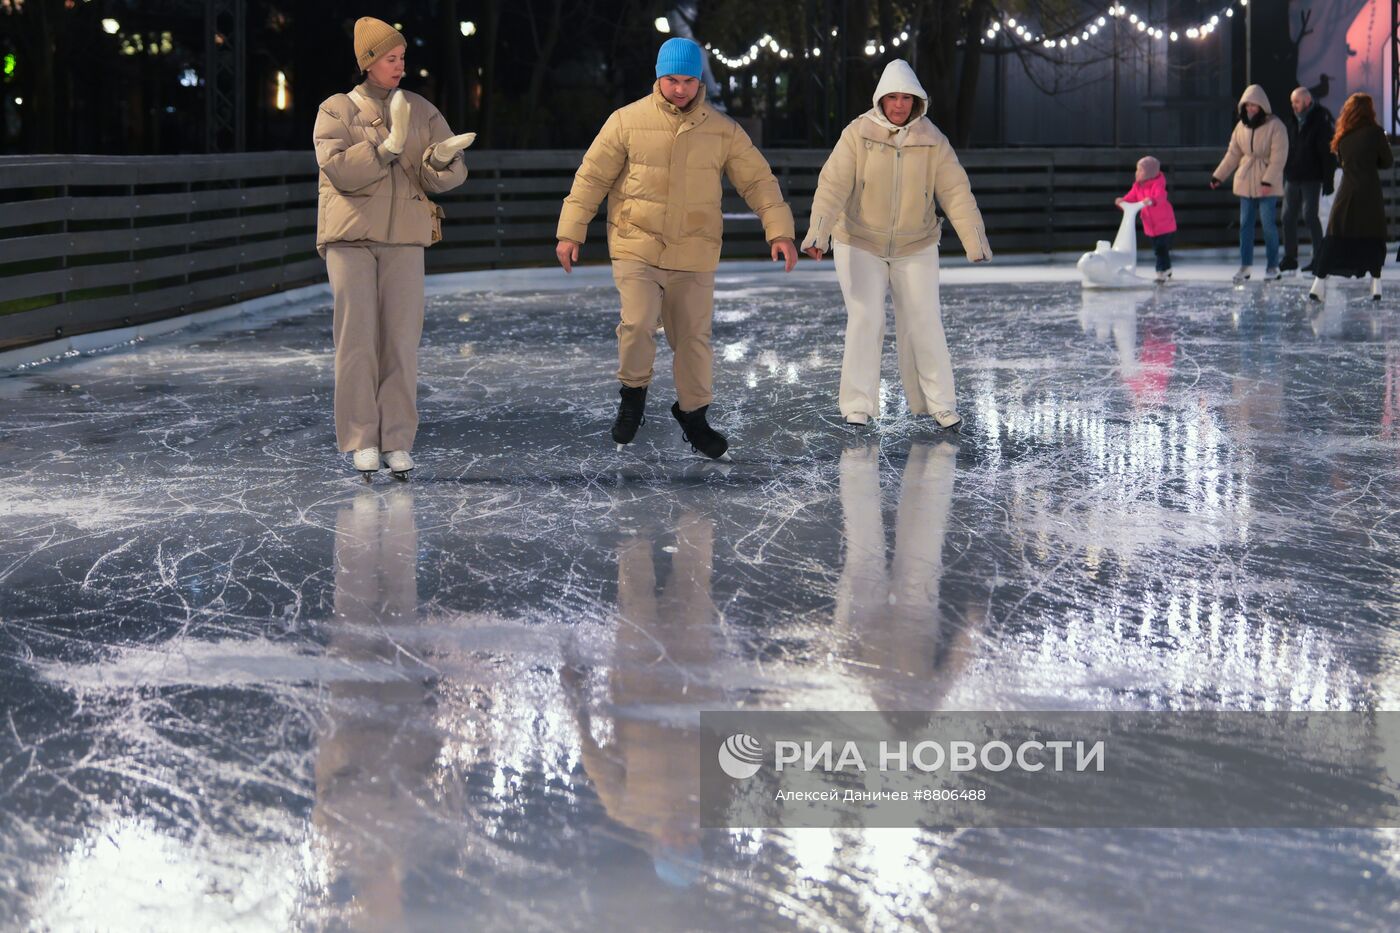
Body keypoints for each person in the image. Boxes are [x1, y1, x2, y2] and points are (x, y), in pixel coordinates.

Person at [555, 37, 797, 460]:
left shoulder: (723, 131)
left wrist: (779, 231)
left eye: (688, 80)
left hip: (694, 251)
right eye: (671, 80)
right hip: (637, 243)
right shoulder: (626, 122)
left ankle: (694, 415)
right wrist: (570, 231)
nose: (680, 89)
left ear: (698, 80)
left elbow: (758, 181)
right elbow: (591, 178)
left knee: (693, 340)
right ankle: (632, 397)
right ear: (658, 77)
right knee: (638, 323)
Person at [313, 17, 475, 480]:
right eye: (391, 58)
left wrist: (443, 161)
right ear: (368, 63)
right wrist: (386, 148)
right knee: (357, 341)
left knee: (401, 343)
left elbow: (444, 175)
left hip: (405, 237)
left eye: (402, 57)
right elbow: (339, 170)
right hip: (351, 240)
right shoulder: (336, 110)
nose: (400, 65)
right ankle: (363, 439)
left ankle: (397, 440)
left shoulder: (422, 109)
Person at [800, 59, 991, 430]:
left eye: (907, 98)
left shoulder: (933, 140)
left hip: (916, 244)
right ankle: (857, 404)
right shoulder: (857, 134)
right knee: (866, 319)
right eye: (893, 97)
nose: (900, 105)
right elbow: (833, 185)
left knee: (924, 321)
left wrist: (974, 240)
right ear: (881, 100)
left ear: (917, 101)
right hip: (859, 241)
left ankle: (938, 403)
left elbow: (955, 192)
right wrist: (818, 233)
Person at [1309, 93, 1393, 303]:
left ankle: (1318, 283)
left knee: (1336, 235)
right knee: (1372, 236)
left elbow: (1342, 161)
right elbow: (1387, 162)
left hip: (1347, 194)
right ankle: (1376, 284)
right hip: (1369, 193)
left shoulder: (1343, 136)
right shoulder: (1375, 133)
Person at [1211, 85, 1289, 284]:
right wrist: (1218, 176)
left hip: (1266, 184)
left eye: (1254, 105)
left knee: (1268, 225)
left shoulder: (1276, 126)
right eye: (1248, 106)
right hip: (1245, 181)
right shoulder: (1241, 127)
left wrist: (1267, 181)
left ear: (1262, 106)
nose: (1251, 109)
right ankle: (1245, 265)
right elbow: (1233, 154)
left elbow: (1279, 157)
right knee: (1245, 225)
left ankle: (1273, 266)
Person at [1281, 87, 1336, 275]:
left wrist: (1327, 181)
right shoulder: (1292, 122)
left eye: (1296, 102)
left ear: (1306, 101)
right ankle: (1290, 257)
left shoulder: (1320, 122)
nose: (1293, 106)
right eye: (1292, 102)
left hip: (1311, 177)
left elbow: (1327, 154)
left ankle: (1319, 258)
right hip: (1293, 176)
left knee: (1310, 215)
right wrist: (1286, 169)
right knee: (1287, 216)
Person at [1116, 155, 1177, 284]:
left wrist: (1152, 200)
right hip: (1151, 225)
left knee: (1161, 247)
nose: (1137, 173)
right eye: (1137, 170)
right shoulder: (1137, 186)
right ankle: (1167, 268)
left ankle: (1161, 271)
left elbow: (1160, 196)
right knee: (1158, 249)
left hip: (1164, 223)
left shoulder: (1157, 184)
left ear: (1149, 173)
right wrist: (1123, 201)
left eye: (1141, 170)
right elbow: (1131, 197)